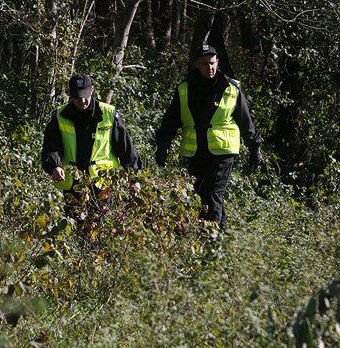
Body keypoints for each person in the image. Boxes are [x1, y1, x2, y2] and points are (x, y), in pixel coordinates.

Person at [155, 45, 263, 228]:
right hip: (196, 151)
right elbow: (171, 120)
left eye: (212, 63)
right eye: (205, 64)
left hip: (223, 152)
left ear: (217, 62)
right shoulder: (184, 89)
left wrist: (255, 148)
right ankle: (221, 235)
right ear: (197, 64)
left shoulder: (230, 88)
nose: (209, 68)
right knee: (201, 195)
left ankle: (212, 242)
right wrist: (163, 146)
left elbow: (246, 122)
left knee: (213, 193)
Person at [41, 73, 142, 215]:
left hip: (103, 182)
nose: (82, 101)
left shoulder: (108, 113)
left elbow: (126, 149)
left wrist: (134, 179)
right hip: (73, 184)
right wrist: (55, 166)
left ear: (92, 90)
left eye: (85, 96)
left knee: (100, 227)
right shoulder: (60, 116)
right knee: (77, 226)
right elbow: (51, 147)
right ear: (70, 95)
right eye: (77, 97)